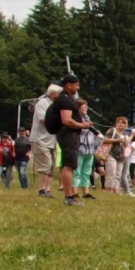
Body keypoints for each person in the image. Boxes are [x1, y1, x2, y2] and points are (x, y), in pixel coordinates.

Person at [52, 74, 90, 206]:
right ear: (68, 85)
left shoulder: (66, 99)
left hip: (69, 135)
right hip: (68, 135)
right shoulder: (65, 100)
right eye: (76, 85)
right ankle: (69, 197)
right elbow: (66, 120)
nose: (78, 87)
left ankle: (69, 196)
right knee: (68, 165)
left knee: (69, 165)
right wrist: (82, 125)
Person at [29, 84, 62, 197]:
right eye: (58, 94)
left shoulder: (56, 105)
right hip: (40, 139)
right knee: (45, 164)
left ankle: (48, 189)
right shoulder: (42, 103)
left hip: (52, 140)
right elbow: (43, 119)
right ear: (52, 94)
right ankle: (42, 189)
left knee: (52, 166)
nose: (59, 96)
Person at [73, 99, 98, 200]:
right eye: (84, 106)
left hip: (89, 149)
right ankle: (74, 192)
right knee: (76, 171)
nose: (86, 108)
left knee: (87, 172)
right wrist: (85, 125)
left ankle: (86, 192)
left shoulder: (87, 117)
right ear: (78, 107)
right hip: (80, 148)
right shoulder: (75, 118)